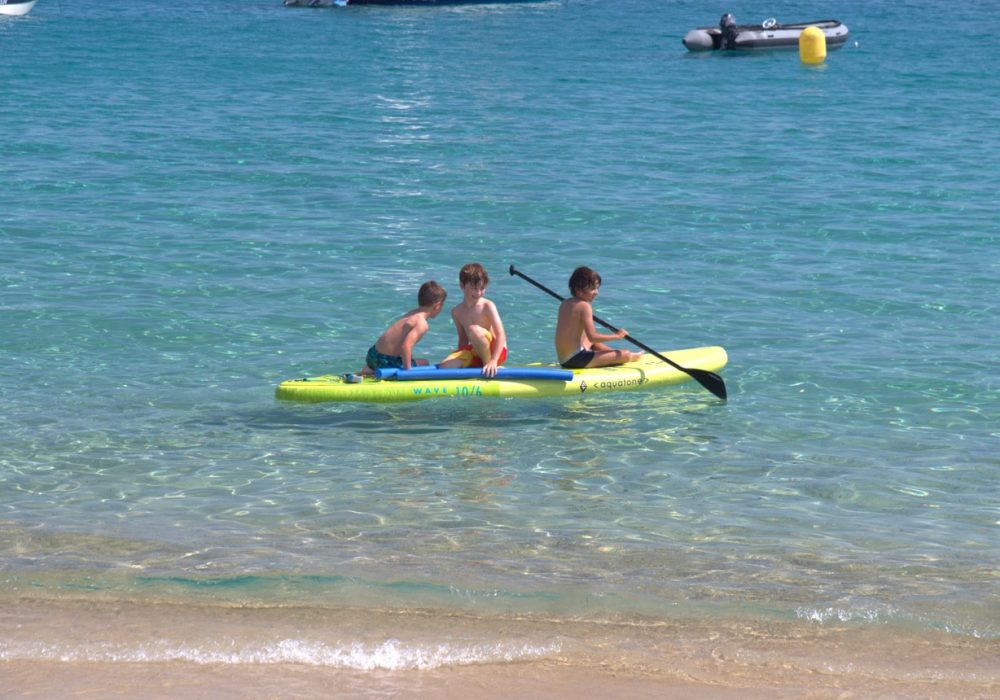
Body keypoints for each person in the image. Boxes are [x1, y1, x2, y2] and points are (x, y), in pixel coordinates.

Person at [555, 266, 643, 369]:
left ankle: (611, 355)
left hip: (563, 359)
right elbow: (593, 336)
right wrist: (617, 336)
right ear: (578, 290)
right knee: (626, 353)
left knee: (591, 341)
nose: (596, 292)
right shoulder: (585, 306)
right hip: (576, 360)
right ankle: (626, 356)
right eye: (592, 289)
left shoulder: (565, 303)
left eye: (597, 288)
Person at [360, 281, 447, 374]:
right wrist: (408, 372)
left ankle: (370, 369)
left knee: (407, 359)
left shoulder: (412, 314)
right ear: (437, 306)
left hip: (372, 355)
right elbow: (406, 346)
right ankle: (382, 370)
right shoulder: (422, 323)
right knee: (424, 362)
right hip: (385, 360)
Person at [438, 263, 508, 377]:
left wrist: (494, 360)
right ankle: (479, 366)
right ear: (462, 286)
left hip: (496, 351)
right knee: (444, 367)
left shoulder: (487, 306)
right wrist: (460, 359)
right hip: (476, 351)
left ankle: (489, 368)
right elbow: (463, 339)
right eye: (474, 288)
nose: (479, 293)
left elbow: (501, 335)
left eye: (482, 288)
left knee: (474, 329)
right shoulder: (457, 311)